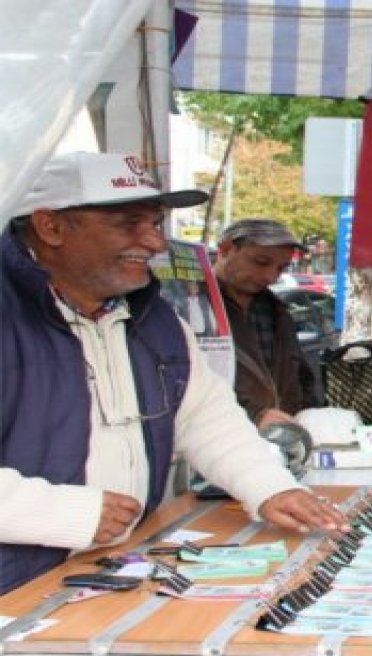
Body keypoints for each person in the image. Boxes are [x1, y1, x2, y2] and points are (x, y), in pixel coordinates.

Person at [0, 152, 347, 595]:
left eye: (156, 223)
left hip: (99, 578)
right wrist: (68, 513)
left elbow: (204, 417)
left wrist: (269, 487)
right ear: (50, 227)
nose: (155, 243)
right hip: (15, 592)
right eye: (129, 223)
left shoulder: (153, 319)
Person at [213, 219, 318, 429]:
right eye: (260, 262)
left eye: (281, 268)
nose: (270, 276)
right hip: (224, 438)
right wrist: (253, 417)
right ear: (226, 249)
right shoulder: (193, 307)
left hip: (281, 439)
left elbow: (300, 377)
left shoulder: (277, 312)